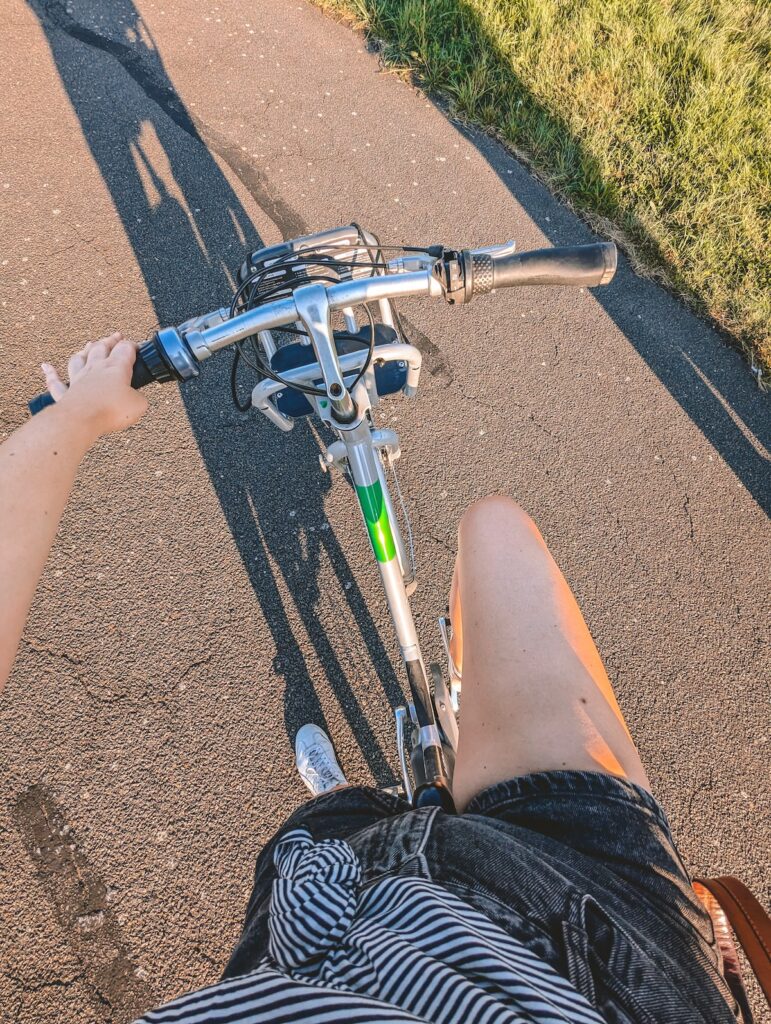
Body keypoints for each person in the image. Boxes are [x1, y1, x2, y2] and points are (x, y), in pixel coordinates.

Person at [0, 335, 742, 1023]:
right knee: (497, 530)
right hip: (598, 947)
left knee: (329, 826)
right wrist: (79, 412)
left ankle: (348, 801)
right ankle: (461, 722)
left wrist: (80, 412)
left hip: (313, 922)